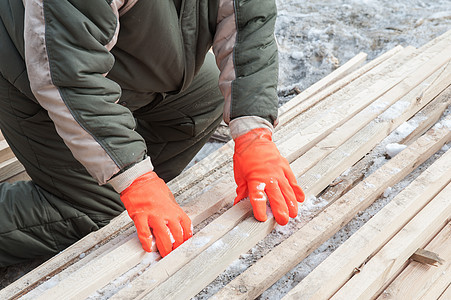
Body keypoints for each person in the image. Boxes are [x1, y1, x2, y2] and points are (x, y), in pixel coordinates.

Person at [0, 0, 305, 266]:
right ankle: (93, 194)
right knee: (97, 211)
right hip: (34, 71)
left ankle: (114, 179)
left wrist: (253, 136)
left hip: (125, 66)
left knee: (205, 99)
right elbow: (69, 78)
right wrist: (136, 181)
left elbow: (248, 19)